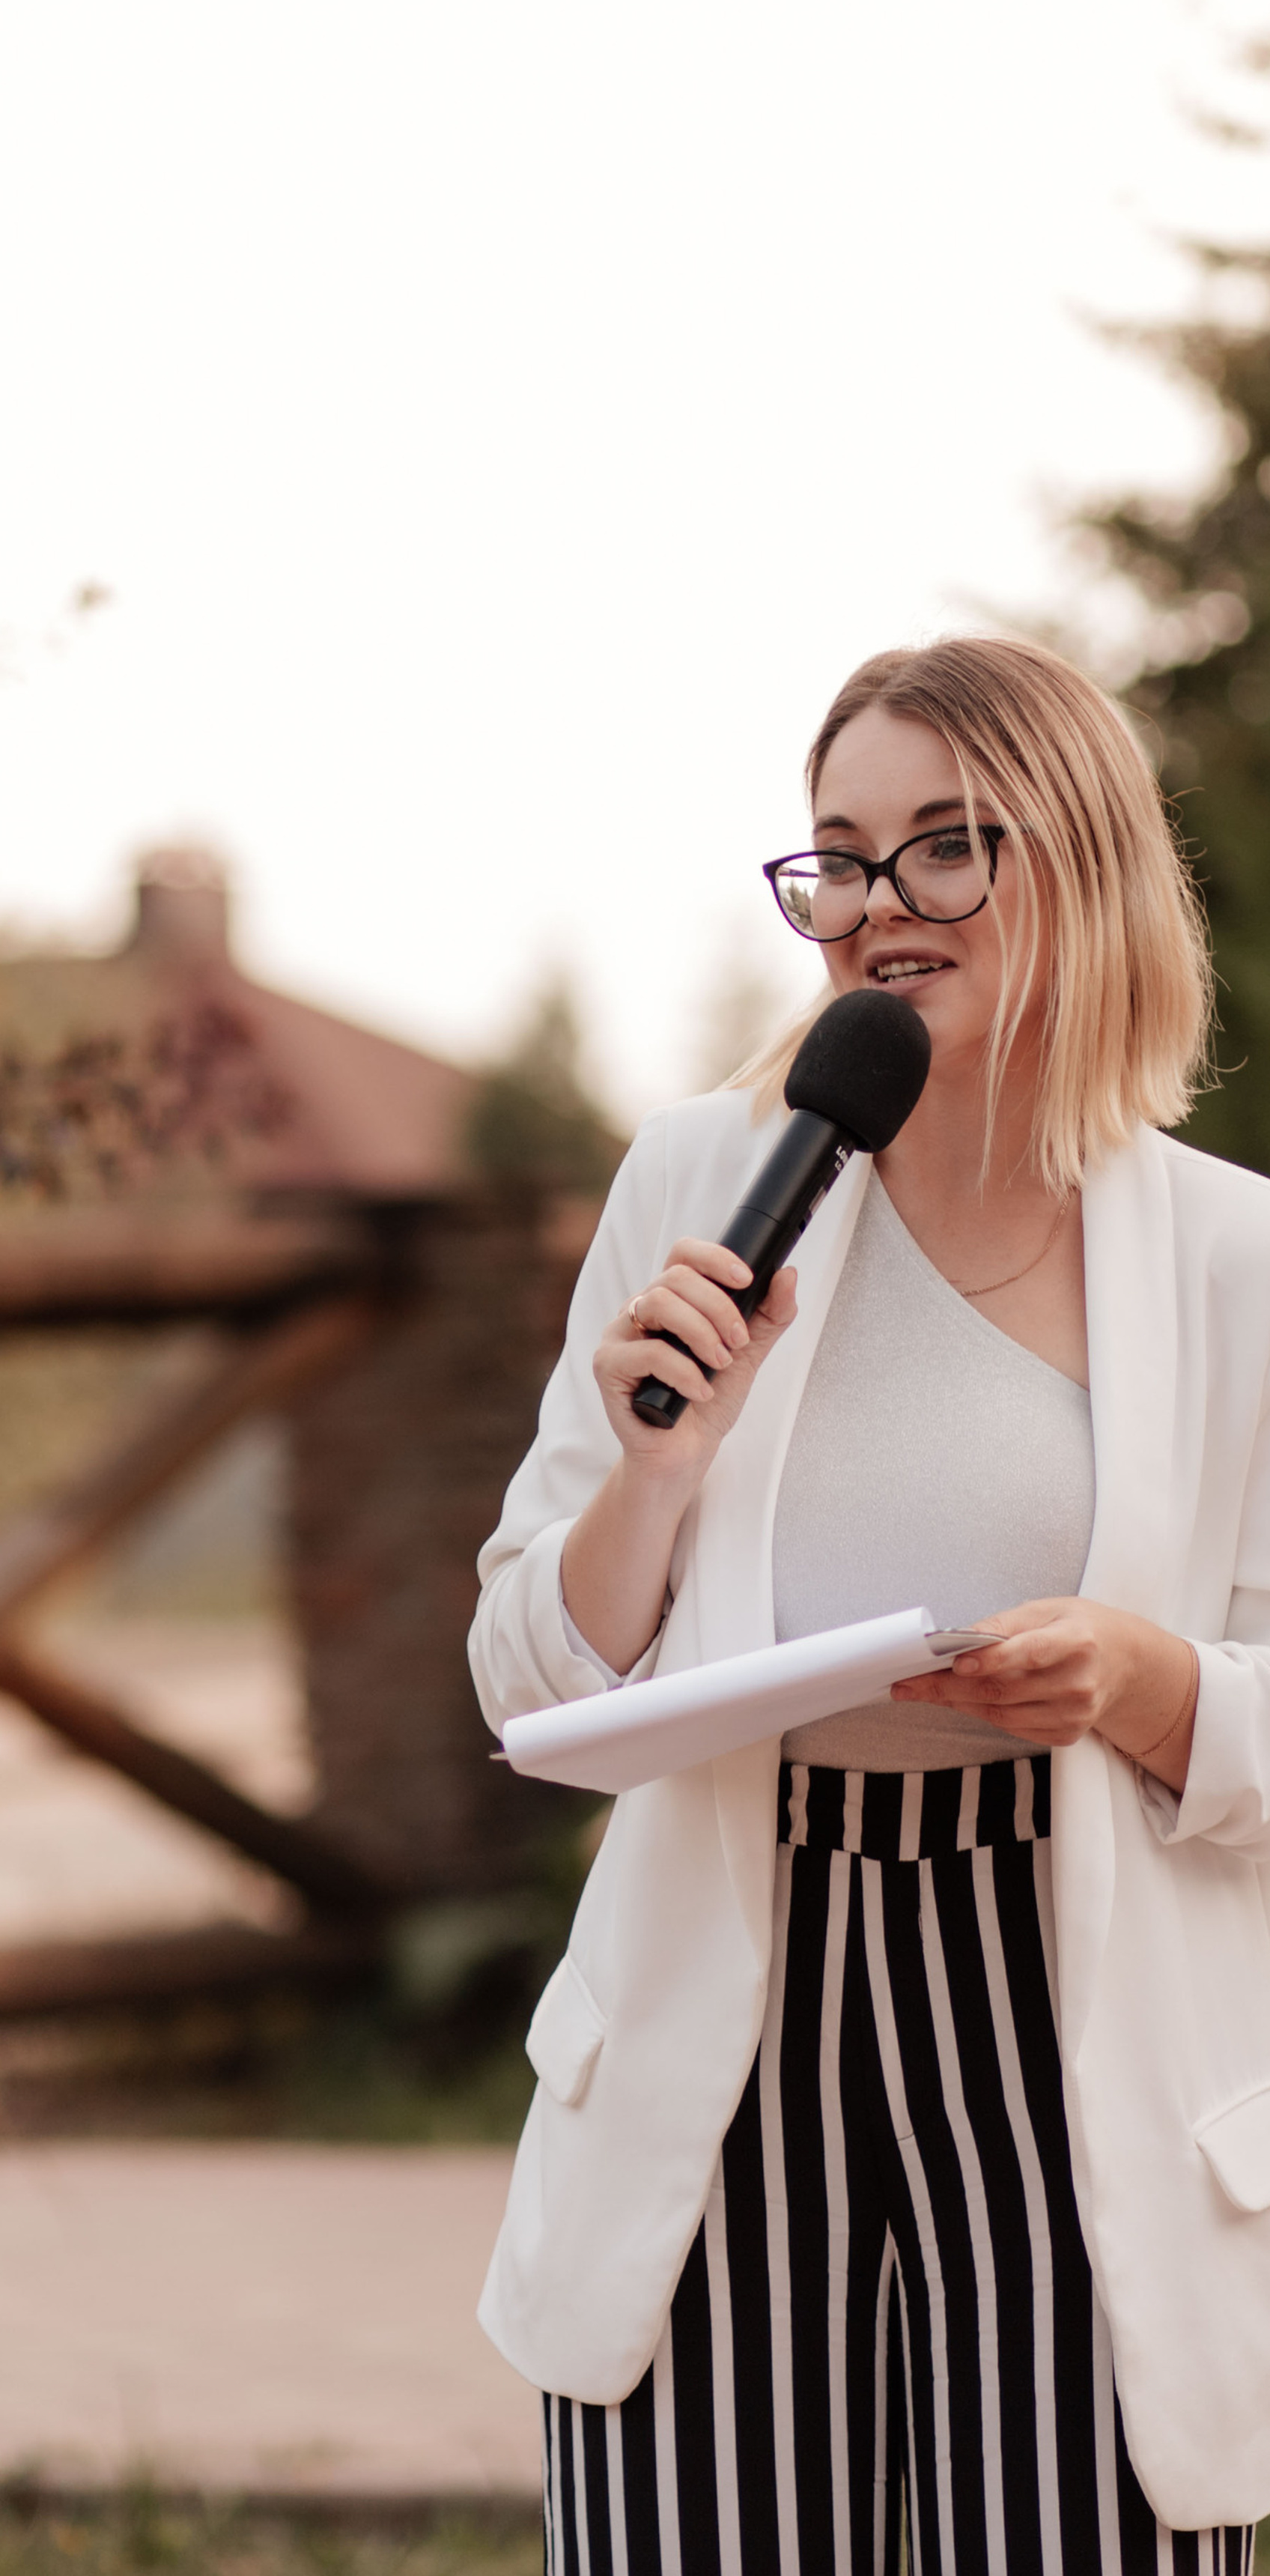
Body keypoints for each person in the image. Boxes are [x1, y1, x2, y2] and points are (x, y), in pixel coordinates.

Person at [470, 636, 1270, 2575]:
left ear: (1073, 859)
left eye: (939, 850)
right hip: (739, 1991)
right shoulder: (705, 1181)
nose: (873, 909)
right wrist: (657, 1467)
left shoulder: (1237, 1260)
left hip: (1069, 1991)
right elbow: (527, 1670)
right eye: (838, 859)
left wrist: (1162, 1687)